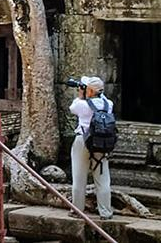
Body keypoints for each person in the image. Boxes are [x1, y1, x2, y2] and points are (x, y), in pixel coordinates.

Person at [69, 75, 113, 220]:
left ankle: (77, 210)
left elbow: (72, 108)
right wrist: (94, 91)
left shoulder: (81, 105)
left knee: (79, 178)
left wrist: (82, 95)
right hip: (101, 144)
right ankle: (105, 212)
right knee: (102, 179)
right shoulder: (109, 105)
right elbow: (102, 100)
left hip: (83, 140)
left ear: (89, 91)